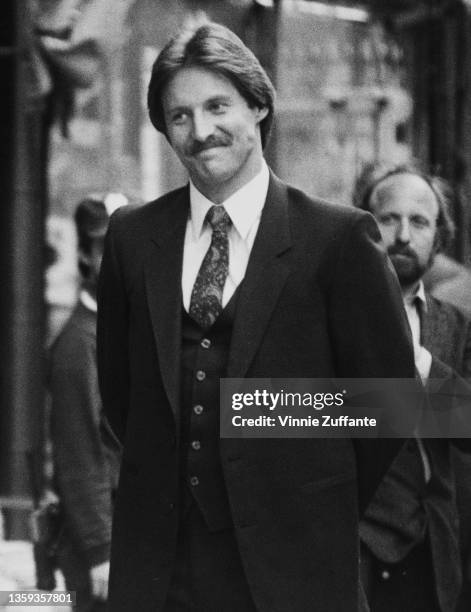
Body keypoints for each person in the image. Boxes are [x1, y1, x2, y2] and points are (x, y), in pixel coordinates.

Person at [97, 21, 416, 612]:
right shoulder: (132, 238)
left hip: (295, 569)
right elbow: (122, 397)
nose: (201, 130)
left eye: (218, 105)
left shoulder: (337, 238)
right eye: (180, 115)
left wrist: (284, 459)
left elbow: (390, 403)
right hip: (158, 572)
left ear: (260, 105)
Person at [356, 162, 471, 612]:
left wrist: (418, 362)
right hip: (357, 550)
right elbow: (276, 413)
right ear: (362, 228)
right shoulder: (325, 315)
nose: (403, 235)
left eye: (419, 221)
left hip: (434, 553)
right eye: (388, 219)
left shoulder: (455, 325)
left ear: (439, 238)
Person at [49, 195, 123, 611]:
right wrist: (101, 550)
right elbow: (80, 456)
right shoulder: (79, 344)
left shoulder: (122, 330)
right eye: (104, 249)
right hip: (100, 546)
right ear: (83, 254)